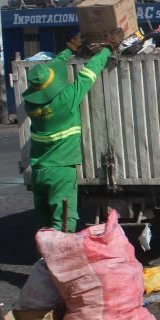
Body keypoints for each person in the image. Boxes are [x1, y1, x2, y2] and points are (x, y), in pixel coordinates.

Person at [23, 35, 113, 232]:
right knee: (63, 218)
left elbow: (49, 71)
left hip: (39, 171)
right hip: (61, 171)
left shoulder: (30, 105)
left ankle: (44, 257)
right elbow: (87, 75)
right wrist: (107, 50)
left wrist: (67, 52)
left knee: (43, 219)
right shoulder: (64, 101)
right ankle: (61, 258)